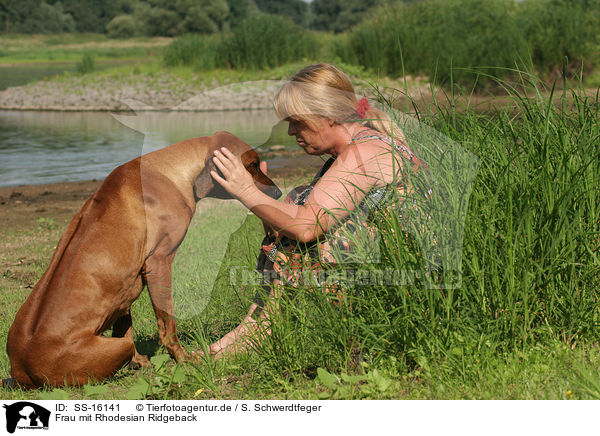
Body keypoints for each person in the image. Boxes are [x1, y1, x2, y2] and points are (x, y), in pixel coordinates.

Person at [206, 63, 427, 357]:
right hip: (391, 261)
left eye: (297, 121)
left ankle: (264, 330)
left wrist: (244, 191)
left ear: (328, 116)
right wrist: (263, 198)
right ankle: (254, 325)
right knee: (293, 206)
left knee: (301, 226)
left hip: (405, 271)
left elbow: (308, 228)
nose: (290, 131)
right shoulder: (355, 149)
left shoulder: (364, 153)